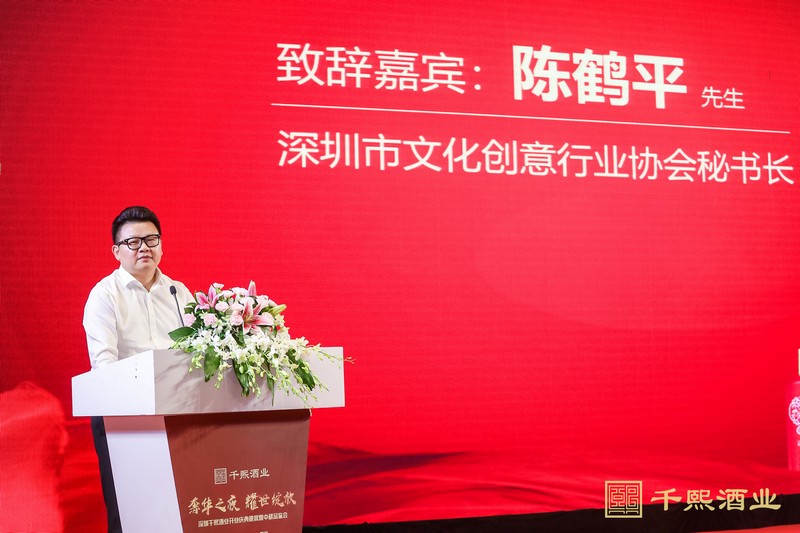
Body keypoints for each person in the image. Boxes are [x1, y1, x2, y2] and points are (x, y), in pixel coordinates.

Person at [83, 206, 193, 532]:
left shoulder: (178, 293)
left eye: (151, 239)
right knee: (130, 513)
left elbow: (196, 351)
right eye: (133, 242)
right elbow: (103, 364)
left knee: (176, 509)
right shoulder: (104, 295)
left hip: (176, 413)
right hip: (123, 416)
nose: (144, 247)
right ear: (116, 251)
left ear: (161, 245)